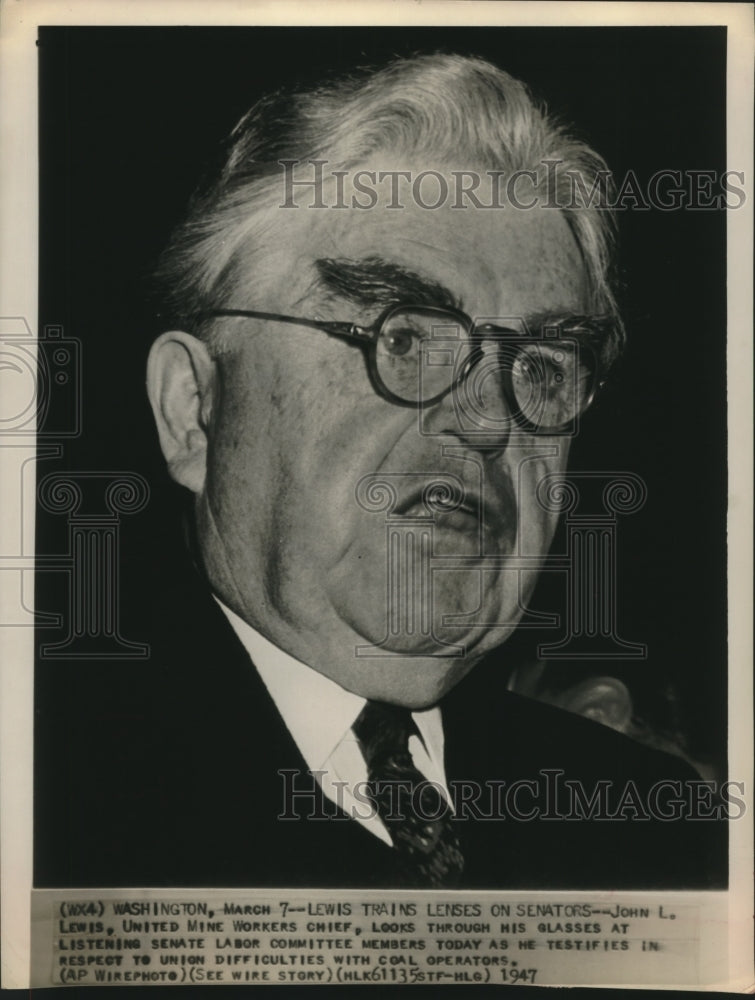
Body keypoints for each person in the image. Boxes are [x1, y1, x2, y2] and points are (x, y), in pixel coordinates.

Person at [39, 53, 725, 890]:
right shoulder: (49, 801)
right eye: (401, 338)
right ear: (195, 410)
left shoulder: (653, 834)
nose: (484, 419)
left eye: (542, 366)